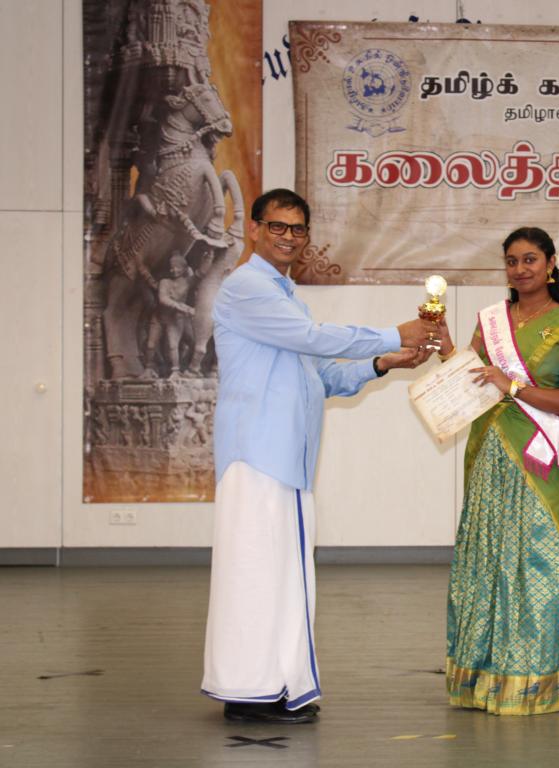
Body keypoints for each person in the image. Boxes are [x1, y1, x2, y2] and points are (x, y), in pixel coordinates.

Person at [201, 188, 439, 724]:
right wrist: (393, 332)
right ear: (254, 230)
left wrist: (383, 362)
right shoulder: (247, 288)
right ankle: (252, 690)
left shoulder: (284, 295)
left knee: (274, 577)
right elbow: (313, 339)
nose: (288, 237)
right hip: (261, 455)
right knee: (258, 576)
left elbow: (319, 374)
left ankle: (263, 686)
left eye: (298, 229)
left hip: (281, 458)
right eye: (277, 226)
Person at [436, 227, 559, 715]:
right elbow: (471, 382)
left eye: (530, 259)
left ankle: (539, 679)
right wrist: (446, 347)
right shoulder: (491, 322)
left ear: (551, 263)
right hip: (489, 453)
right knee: (487, 562)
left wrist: (511, 386)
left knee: (537, 562)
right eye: (512, 261)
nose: (520, 269)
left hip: (540, 458)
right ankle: (483, 676)